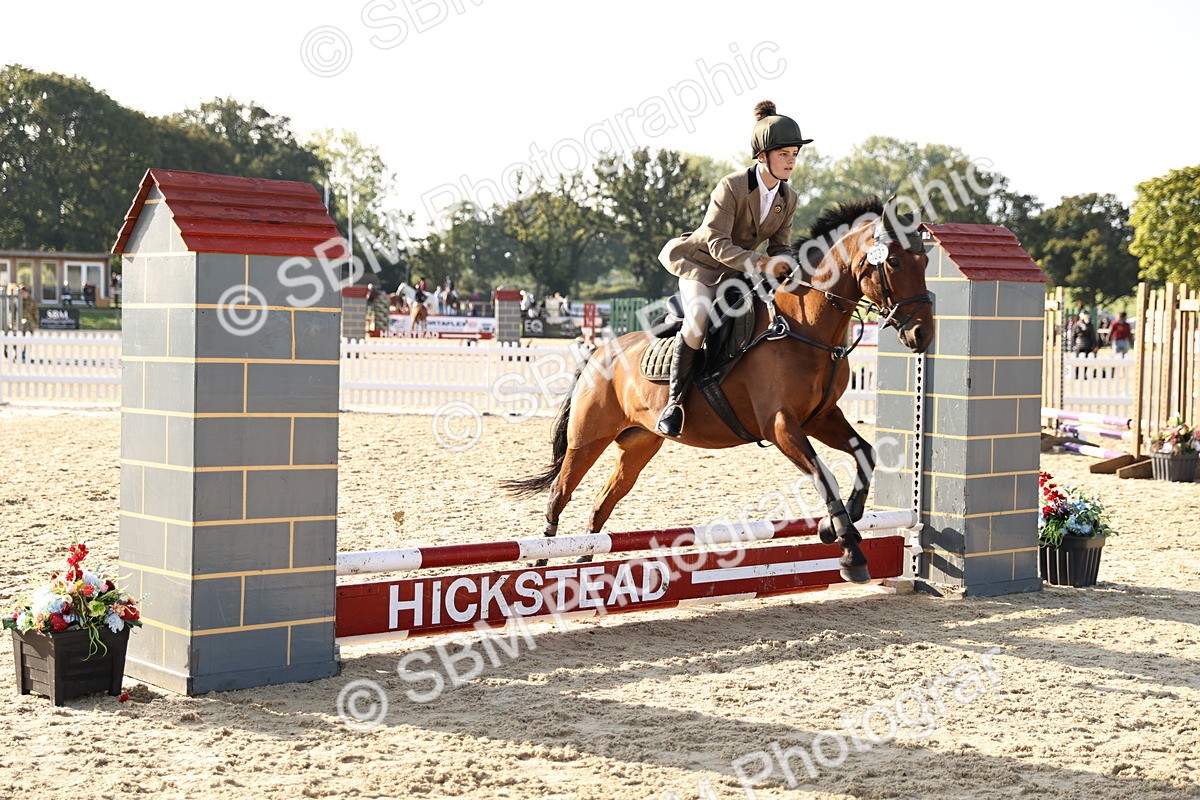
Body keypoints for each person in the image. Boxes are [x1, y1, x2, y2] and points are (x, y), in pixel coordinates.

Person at [654, 99, 807, 437]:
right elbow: (716, 243)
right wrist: (762, 263)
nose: (792, 160)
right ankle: (674, 404)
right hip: (701, 264)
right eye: (784, 154)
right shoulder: (732, 186)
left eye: (795, 153)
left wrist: (791, 267)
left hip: (739, 270)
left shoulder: (789, 197)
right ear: (762, 156)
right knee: (698, 319)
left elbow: (780, 245)